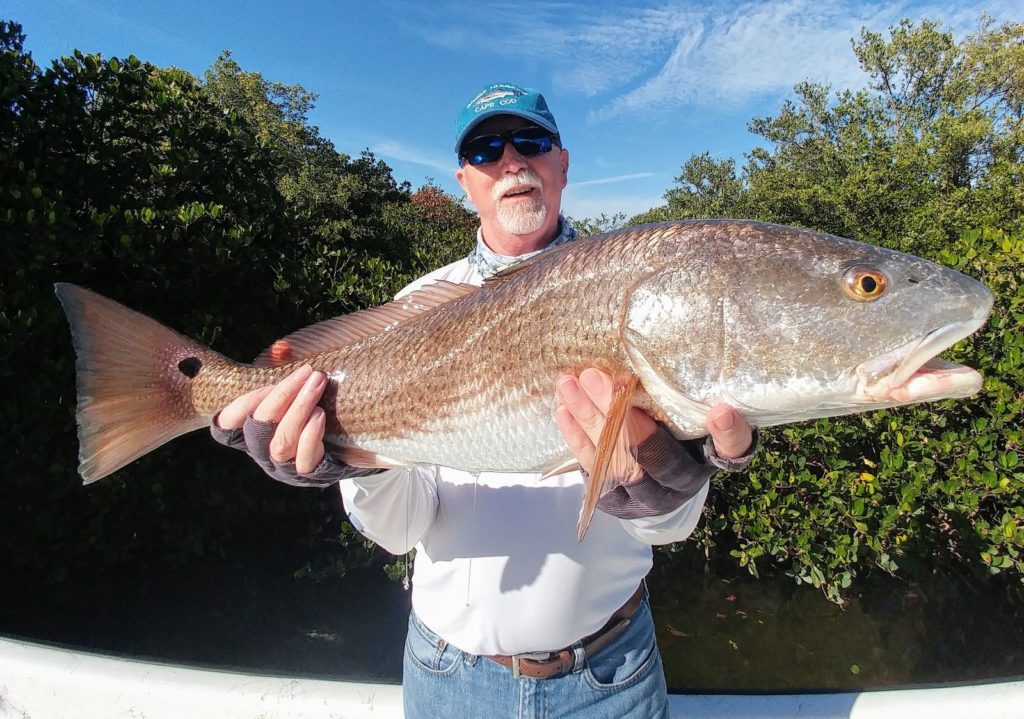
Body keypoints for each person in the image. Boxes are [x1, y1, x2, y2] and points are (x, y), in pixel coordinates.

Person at [212, 82, 756, 718]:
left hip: (614, 672)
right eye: (485, 149)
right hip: (449, 680)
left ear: (562, 162)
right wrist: (354, 460)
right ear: (463, 180)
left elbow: (670, 528)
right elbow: (398, 532)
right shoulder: (418, 305)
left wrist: (668, 490)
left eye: (531, 141)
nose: (511, 161)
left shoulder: (641, 287)